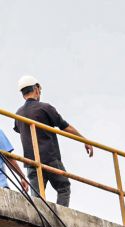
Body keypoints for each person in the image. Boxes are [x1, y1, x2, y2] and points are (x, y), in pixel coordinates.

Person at [13, 75, 93, 207]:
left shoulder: (18, 114)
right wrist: (84, 140)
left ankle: (39, 221)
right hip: (50, 158)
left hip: (31, 161)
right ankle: (60, 216)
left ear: (22, 94)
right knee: (63, 187)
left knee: (37, 197)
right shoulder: (45, 108)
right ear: (36, 89)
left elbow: (18, 129)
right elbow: (65, 126)